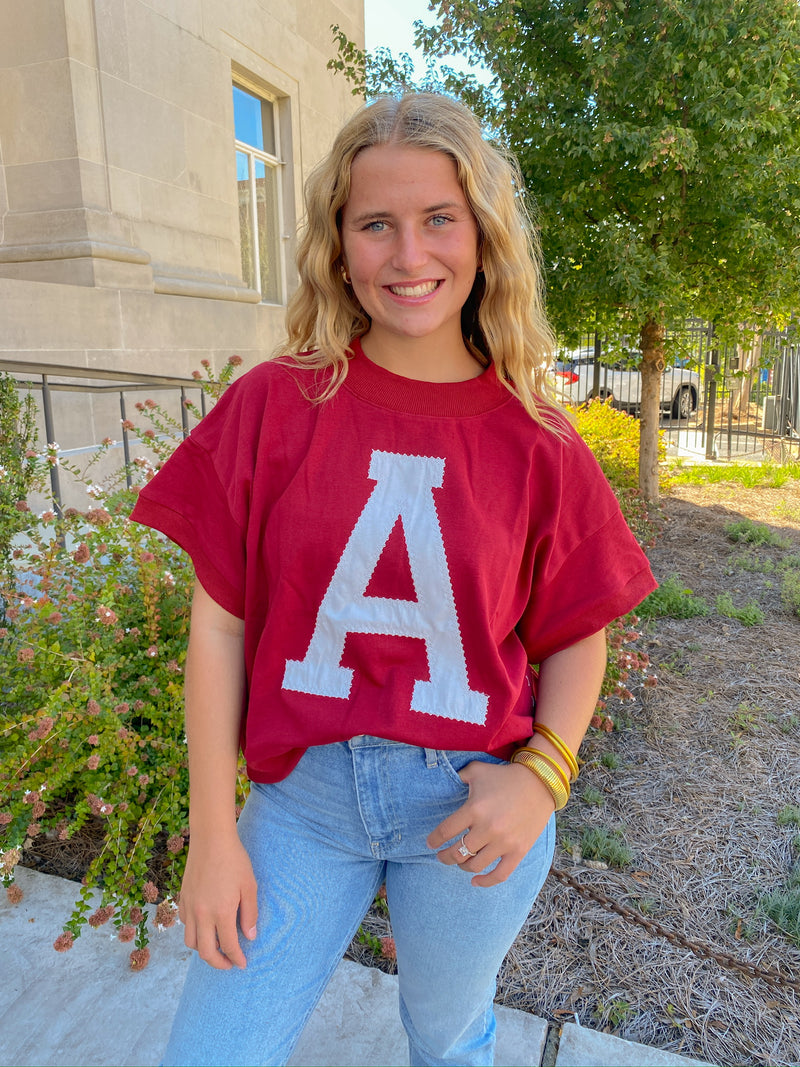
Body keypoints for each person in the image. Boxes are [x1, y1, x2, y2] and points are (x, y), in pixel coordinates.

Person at [131, 92, 656, 1067]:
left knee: (446, 1036)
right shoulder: (276, 405)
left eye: (437, 219)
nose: (407, 255)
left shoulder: (535, 439)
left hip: (467, 809)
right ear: (338, 242)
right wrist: (211, 831)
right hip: (301, 802)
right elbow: (218, 626)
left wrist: (543, 775)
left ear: (482, 232)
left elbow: (575, 631)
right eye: (376, 223)